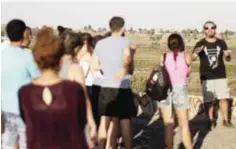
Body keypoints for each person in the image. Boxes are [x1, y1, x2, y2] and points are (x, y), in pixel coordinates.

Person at [18, 27, 88, 149]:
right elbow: (81, 121)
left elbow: (28, 122)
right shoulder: (74, 89)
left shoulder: (25, 93)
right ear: (60, 57)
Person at [94, 16, 136, 149]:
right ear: (123, 28)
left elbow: (94, 66)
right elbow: (129, 66)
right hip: (122, 86)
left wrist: (106, 68)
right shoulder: (126, 42)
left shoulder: (101, 44)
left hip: (106, 86)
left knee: (104, 120)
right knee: (125, 119)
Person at [1, 19, 40, 149]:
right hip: (24, 109)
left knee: (8, 143)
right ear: (24, 33)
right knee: (26, 143)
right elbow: (38, 80)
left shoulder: (2, 55)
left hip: (5, 108)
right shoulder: (27, 57)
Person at [58, 31, 97, 148]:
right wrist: (91, 121)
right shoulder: (75, 68)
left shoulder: (51, 66)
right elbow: (84, 96)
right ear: (76, 49)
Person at [192, 21, 234, 129]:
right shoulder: (200, 43)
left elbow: (228, 59)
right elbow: (192, 58)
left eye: (212, 27)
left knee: (224, 98)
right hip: (206, 77)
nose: (209, 29)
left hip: (220, 75)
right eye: (207, 28)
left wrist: (228, 56)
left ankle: (225, 120)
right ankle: (210, 120)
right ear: (204, 30)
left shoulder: (221, 43)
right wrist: (196, 53)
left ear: (215, 29)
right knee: (208, 101)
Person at [158, 33, 193, 149]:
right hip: (180, 90)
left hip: (165, 91)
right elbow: (188, 73)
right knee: (184, 126)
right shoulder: (186, 56)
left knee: (168, 125)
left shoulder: (163, 56)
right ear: (181, 43)